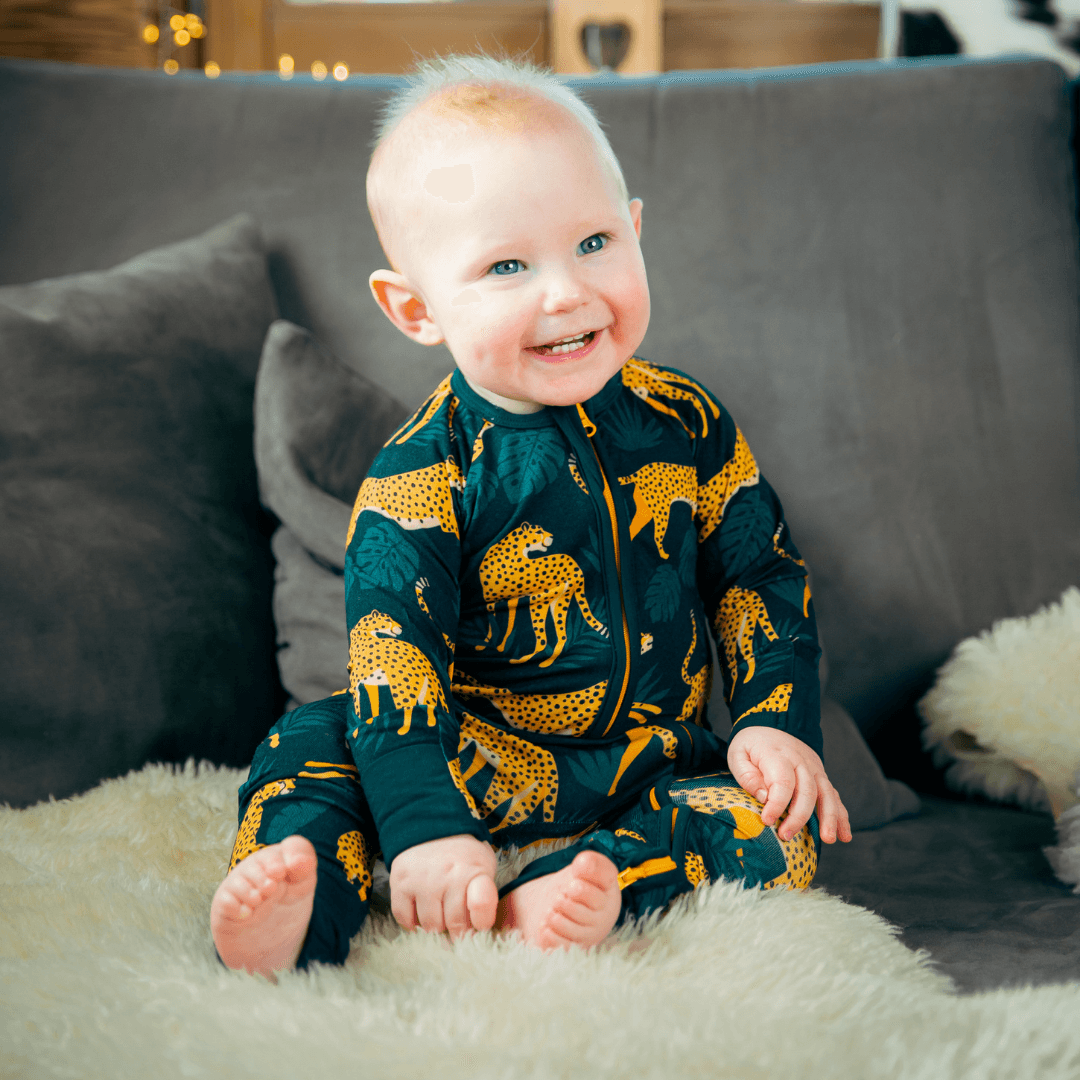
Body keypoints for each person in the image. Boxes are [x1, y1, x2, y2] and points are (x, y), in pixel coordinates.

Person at [210, 53, 852, 979]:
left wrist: (774, 717)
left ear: (636, 231)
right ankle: (295, 913)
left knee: (784, 832)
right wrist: (426, 827)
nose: (567, 291)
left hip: (651, 762)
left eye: (594, 242)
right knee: (311, 744)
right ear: (416, 309)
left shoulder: (688, 423)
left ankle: (586, 886)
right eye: (507, 265)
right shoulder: (420, 477)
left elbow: (758, 572)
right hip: (476, 760)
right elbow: (396, 666)